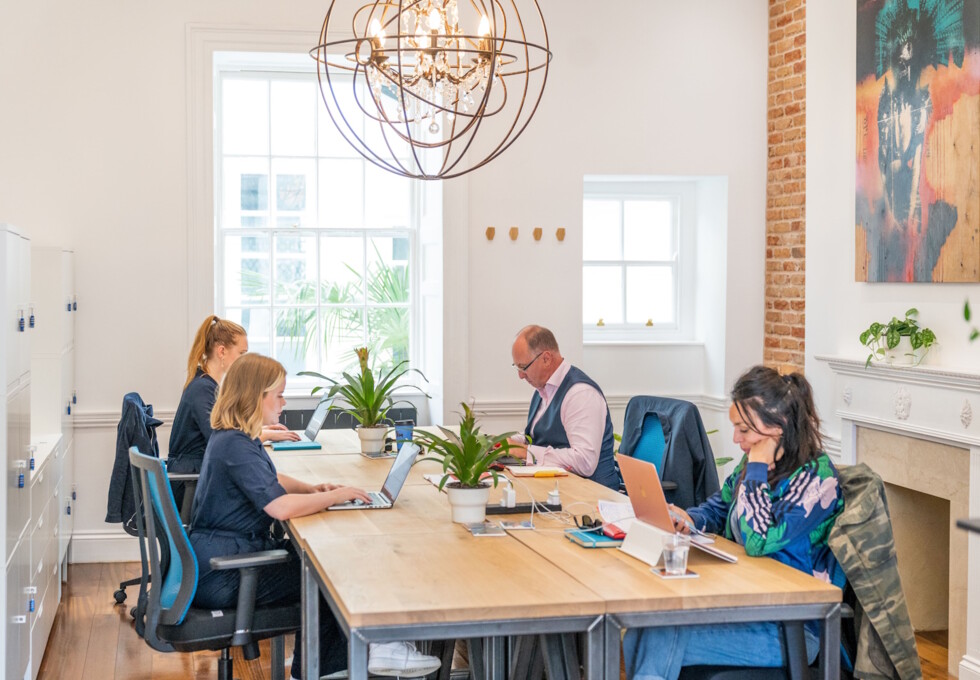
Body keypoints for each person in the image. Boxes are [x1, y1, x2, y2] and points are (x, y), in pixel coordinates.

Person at [189, 353, 441, 679]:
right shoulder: (236, 444)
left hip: (219, 560)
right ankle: (374, 651)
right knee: (330, 572)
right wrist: (334, 496)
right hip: (226, 573)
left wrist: (313, 489)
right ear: (255, 396)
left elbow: (271, 480)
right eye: (277, 395)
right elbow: (279, 507)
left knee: (327, 559)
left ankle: (333, 663)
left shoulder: (235, 437)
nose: (282, 402)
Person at [623, 366, 846, 679]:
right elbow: (721, 505)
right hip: (745, 604)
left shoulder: (815, 480)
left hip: (791, 626)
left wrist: (756, 469)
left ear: (777, 427)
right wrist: (691, 518)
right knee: (639, 633)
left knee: (657, 636)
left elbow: (758, 541)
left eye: (744, 429)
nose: (735, 438)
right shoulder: (757, 460)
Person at [168, 315, 298, 507]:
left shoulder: (208, 384)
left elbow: (228, 434)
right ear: (221, 351)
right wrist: (267, 435)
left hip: (198, 477)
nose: (244, 361)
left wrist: (265, 432)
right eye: (241, 353)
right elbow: (223, 442)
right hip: (189, 486)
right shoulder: (202, 389)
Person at [507, 325, 618, 489]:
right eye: (517, 367)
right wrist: (505, 443)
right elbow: (537, 437)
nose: (520, 375)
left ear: (546, 358)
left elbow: (584, 461)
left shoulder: (580, 393)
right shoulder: (542, 390)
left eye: (523, 367)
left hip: (592, 496)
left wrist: (525, 452)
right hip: (557, 490)